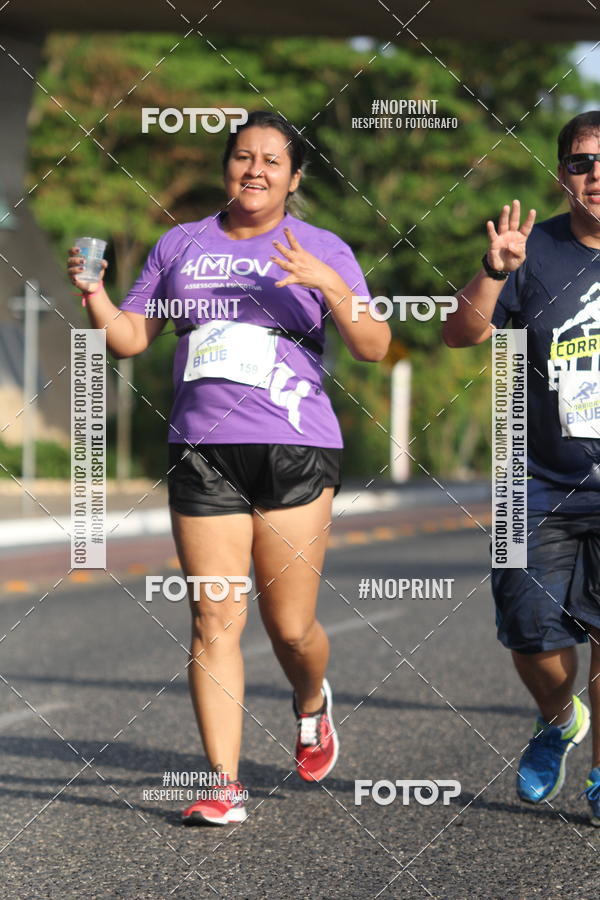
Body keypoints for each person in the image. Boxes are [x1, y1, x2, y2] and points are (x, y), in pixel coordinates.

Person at [67, 110, 390, 825]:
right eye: (243, 157)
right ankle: (223, 783)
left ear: (294, 177)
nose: (256, 170)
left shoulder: (323, 246)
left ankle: (311, 702)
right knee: (215, 617)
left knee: (291, 628)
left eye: (273, 161)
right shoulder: (180, 244)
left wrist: (325, 283)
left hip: (295, 449)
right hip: (201, 451)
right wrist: (94, 294)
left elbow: (372, 342)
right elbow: (129, 338)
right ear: (227, 167)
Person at [442, 110, 600, 825]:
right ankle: (559, 716)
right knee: (531, 631)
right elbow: (459, 333)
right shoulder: (528, 251)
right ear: (561, 173)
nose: (596, 174)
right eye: (582, 162)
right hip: (529, 483)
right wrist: (490, 272)